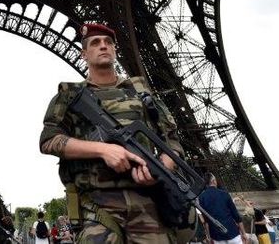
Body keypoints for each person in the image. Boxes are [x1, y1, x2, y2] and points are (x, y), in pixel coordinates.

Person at [39, 22, 185, 243]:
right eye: (95, 43)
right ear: (83, 53)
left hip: (147, 199)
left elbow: (171, 140)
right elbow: (48, 140)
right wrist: (103, 150)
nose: (103, 46)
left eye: (108, 42)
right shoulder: (69, 96)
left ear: (115, 50)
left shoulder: (142, 94)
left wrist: (160, 169)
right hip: (96, 206)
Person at [198, 173, 248, 244]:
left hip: (216, 236)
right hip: (232, 233)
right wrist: (243, 233)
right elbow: (236, 215)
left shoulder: (201, 197)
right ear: (214, 181)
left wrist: (209, 237)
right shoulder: (224, 194)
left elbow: (206, 220)